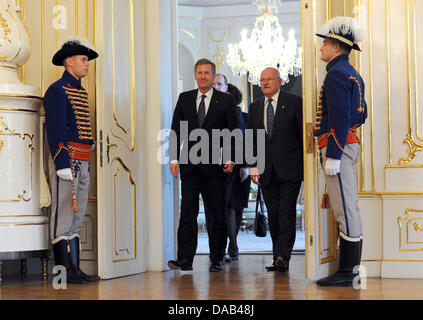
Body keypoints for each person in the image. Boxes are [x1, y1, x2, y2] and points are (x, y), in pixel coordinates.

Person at [168, 59, 238, 272]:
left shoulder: (226, 101)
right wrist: (173, 159)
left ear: (212, 75)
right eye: (199, 72)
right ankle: (185, 259)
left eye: (207, 73)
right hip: (190, 166)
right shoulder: (185, 98)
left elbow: (233, 132)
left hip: (216, 167)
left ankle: (217, 257)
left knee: (216, 213)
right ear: (195, 75)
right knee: (187, 211)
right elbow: (175, 130)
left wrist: (231, 158)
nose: (203, 76)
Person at [314, 17, 367, 287]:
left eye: (325, 42)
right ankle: (350, 271)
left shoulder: (335, 74)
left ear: (336, 46)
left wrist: (333, 153)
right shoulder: (350, 72)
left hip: (339, 145)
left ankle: (349, 273)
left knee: (345, 210)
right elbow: (362, 113)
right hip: (347, 142)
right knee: (347, 207)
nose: (321, 47)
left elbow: (340, 116)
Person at [44, 37, 100, 284]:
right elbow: (56, 130)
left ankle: (74, 269)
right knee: (63, 215)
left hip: (83, 158)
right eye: (83, 60)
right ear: (69, 62)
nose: (87, 64)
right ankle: (62, 273)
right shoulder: (57, 90)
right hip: (67, 160)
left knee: (77, 217)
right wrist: (62, 163)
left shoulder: (79, 90)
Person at [247, 67, 303, 273]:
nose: (265, 83)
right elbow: (251, 138)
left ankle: (283, 256)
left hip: (290, 170)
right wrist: (253, 166)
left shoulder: (295, 103)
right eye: (262, 80)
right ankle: (277, 255)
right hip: (266, 171)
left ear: (280, 82)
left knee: (286, 212)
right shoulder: (254, 107)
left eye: (269, 79)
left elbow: (301, 137)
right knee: (273, 214)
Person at [212, 74, 251, 263]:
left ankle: (232, 245)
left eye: (220, 85)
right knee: (227, 207)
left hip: (240, 167)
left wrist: (245, 165)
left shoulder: (241, 115)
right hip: (221, 167)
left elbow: (247, 141)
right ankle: (233, 246)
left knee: (237, 207)